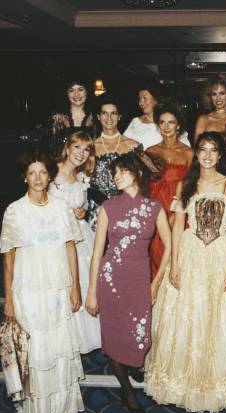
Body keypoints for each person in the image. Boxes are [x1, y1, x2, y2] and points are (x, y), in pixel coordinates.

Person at [145, 132, 226, 413]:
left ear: (220, 154)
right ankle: (182, 382)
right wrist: (174, 262)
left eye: (214, 150)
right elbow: (177, 225)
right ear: (197, 153)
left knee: (215, 315)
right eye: (203, 150)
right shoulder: (186, 184)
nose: (208, 155)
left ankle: (211, 382)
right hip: (189, 253)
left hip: (219, 254)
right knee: (186, 313)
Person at [0, 149, 84, 413]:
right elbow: (8, 258)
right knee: (35, 349)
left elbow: (71, 247)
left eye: (43, 172)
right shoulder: (14, 210)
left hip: (58, 286)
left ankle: (61, 405)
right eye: (32, 173)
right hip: (28, 287)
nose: (38, 178)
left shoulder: (61, 207)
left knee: (58, 346)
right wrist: (9, 298)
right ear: (24, 177)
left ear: (50, 176)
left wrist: (76, 288)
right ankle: (37, 409)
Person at [85, 152, 171, 413]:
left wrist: (155, 284)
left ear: (137, 174)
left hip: (139, 279)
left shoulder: (154, 208)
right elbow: (98, 251)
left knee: (141, 335)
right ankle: (126, 389)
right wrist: (91, 291)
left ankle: (133, 363)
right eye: (115, 173)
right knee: (112, 335)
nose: (117, 177)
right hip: (110, 279)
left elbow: (170, 247)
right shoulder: (108, 207)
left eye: (122, 171)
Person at [49, 132, 101, 354]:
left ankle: (83, 337)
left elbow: (82, 206)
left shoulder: (82, 177)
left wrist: (82, 211)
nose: (81, 153)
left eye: (86, 149)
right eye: (77, 147)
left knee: (83, 281)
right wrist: (68, 213)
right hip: (55, 237)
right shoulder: (51, 173)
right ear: (68, 148)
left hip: (80, 236)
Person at [146, 99, 194, 278]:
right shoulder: (150, 151)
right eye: (162, 122)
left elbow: (192, 185)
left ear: (178, 124)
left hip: (179, 210)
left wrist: (179, 213)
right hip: (156, 208)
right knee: (156, 252)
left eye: (171, 122)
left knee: (178, 253)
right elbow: (145, 185)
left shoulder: (188, 153)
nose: (166, 127)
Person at [88, 94, 141, 230]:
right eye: (105, 114)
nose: (109, 118)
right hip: (97, 209)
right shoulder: (90, 147)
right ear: (98, 116)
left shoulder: (133, 146)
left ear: (119, 116)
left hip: (126, 207)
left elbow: (142, 180)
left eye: (113, 113)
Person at [124, 83, 191, 149]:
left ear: (156, 99)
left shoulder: (171, 123)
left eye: (145, 98)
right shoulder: (136, 122)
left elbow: (185, 149)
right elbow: (123, 144)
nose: (141, 103)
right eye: (139, 99)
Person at [46, 79, 96, 158]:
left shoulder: (96, 118)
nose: (76, 94)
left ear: (87, 92)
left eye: (80, 89)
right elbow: (49, 150)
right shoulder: (57, 119)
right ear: (66, 93)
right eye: (71, 90)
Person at [194, 75, 226, 141]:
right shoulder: (203, 120)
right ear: (210, 97)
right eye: (214, 94)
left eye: (222, 93)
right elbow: (197, 148)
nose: (218, 98)